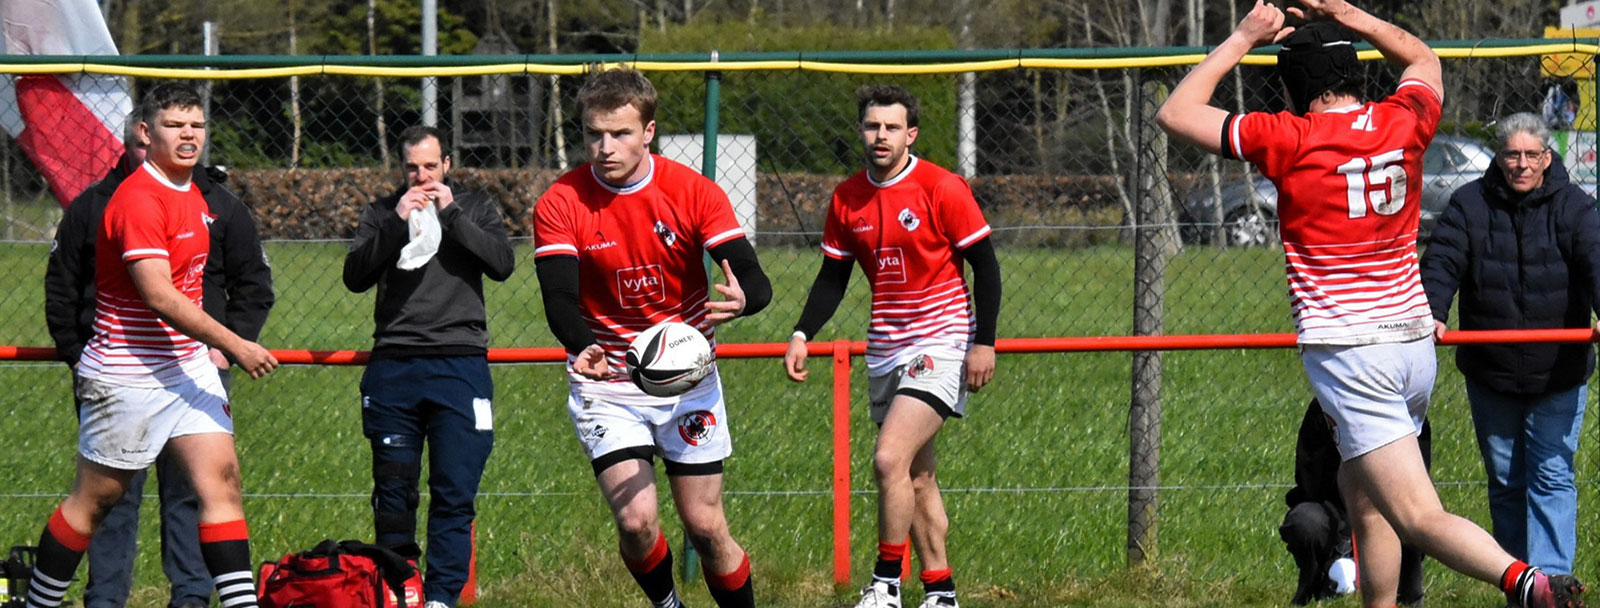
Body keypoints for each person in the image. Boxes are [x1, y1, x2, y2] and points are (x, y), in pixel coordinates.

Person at [1155, 1, 1584, 607]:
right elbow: (1422, 57)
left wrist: (1245, 36)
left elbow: (1175, 112)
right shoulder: (1402, 121)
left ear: (1294, 87)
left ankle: (1530, 584)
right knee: (1364, 497)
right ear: (1354, 74)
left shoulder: (1289, 137)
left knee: (1417, 516)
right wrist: (1347, 13)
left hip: (1353, 354)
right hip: (1411, 345)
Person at [23, 81, 277, 608]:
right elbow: (159, 295)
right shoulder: (137, 199)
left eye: (197, 125)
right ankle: (38, 602)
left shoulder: (197, 194)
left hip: (188, 369)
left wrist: (214, 351)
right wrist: (236, 344)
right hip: (127, 376)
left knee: (221, 484)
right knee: (94, 503)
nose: (188, 135)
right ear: (146, 131)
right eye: (174, 125)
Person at [533, 67, 772, 608]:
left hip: (688, 380)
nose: (605, 147)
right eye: (594, 134)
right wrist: (583, 344)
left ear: (648, 132)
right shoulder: (561, 201)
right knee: (637, 522)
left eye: (620, 134)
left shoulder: (692, 191)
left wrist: (747, 298)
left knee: (705, 526)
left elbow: (752, 277)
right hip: (608, 378)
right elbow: (559, 298)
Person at [783, 84, 1002, 608]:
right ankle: (941, 592)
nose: (880, 135)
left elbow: (986, 266)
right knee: (916, 476)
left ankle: (885, 585)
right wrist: (801, 334)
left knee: (887, 459)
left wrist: (984, 343)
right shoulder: (847, 197)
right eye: (872, 126)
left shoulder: (941, 187)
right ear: (861, 131)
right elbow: (832, 278)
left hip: (943, 341)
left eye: (891, 127)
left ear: (911, 134)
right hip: (886, 349)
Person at [1420, 112, 1600, 578]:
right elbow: (1442, 260)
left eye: (1531, 155)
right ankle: (1521, 583)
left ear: (1547, 157)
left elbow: (1595, 257)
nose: (1522, 164)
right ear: (1499, 157)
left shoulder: (1575, 207)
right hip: (1491, 372)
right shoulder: (1469, 204)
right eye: (1512, 155)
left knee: (1551, 476)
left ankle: (1552, 585)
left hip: (1558, 372)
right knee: (1505, 481)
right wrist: (1433, 310)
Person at [342, 125, 514, 608]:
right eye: (413, 168)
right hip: (394, 367)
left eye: (431, 166)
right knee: (393, 496)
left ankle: (441, 598)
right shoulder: (383, 212)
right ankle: (401, 592)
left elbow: (502, 264)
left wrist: (451, 214)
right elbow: (355, 277)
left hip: (460, 366)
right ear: (401, 168)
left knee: (454, 493)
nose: (422, 177)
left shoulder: (473, 207)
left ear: (447, 165)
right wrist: (398, 222)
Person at [1282, 399, 1429, 606]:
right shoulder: (1324, 406)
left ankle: (1408, 596)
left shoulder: (1405, 407)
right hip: (1332, 511)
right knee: (1305, 521)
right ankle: (1315, 589)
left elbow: (1417, 481)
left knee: (1413, 519)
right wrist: (1346, 528)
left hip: (1389, 508)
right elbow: (1309, 479)